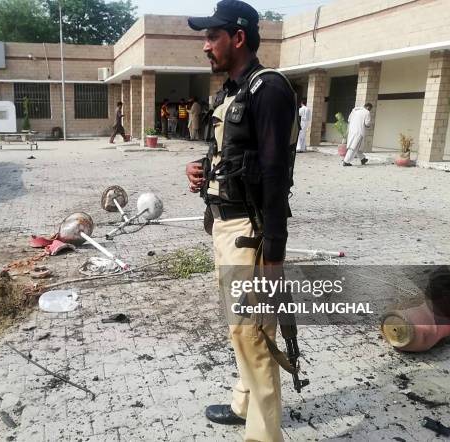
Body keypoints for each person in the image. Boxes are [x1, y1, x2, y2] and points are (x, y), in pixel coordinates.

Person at [185, 1, 298, 441]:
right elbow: (234, 155)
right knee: (243, 328)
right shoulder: (233, 90)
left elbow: (274, 175)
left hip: (250, 234)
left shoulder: (269, 89)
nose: (205, 45)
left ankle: (263, 435)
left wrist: (275, 250)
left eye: (212, 36)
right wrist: (199, 167)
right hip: (225, 227)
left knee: (253, 335)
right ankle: (242, 403)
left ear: (238, 37)